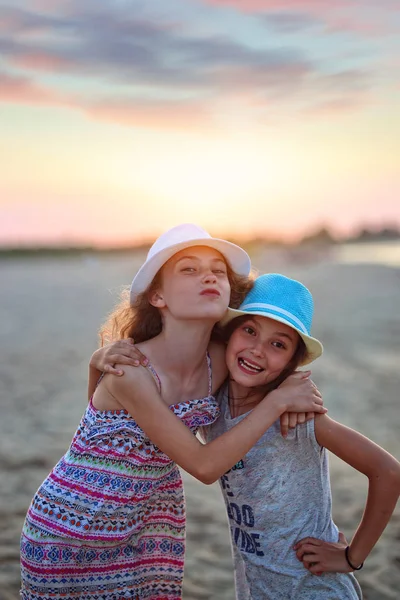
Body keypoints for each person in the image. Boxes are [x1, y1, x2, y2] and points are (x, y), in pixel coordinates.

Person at [20, 225, 325, 600]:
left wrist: (297, 388)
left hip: (148, 523)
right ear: (158, 296)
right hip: (73, 525)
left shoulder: (221, 359)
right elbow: (203, 466)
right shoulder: (131, 370)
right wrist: (279, 403)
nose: (210, 275)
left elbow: (270, 361)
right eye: (189, 269)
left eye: (218, 270)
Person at [98, 273, 400, 599]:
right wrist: (97, 361)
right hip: (255, 586)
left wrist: (352, 557)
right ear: (229, 335)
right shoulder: (214, 402)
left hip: (314, 587)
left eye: (278, 344)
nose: (257, 350)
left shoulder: (298, 418)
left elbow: (388, 471)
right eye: (250, 331)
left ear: (291, 362)